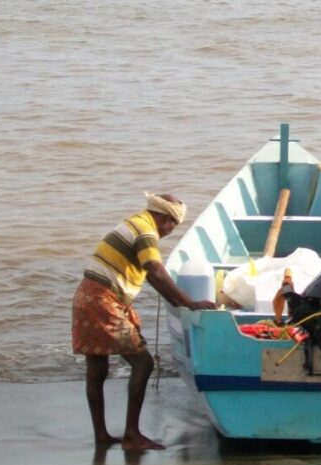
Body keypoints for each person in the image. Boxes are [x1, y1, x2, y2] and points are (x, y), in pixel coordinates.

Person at [71, 193, 216, 451]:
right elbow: (156, 271)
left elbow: (151, 275)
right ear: (164, 217)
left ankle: (102, 436)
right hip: (102, 300)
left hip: (86, 295)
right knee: (143, 362)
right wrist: (188, 304)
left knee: (97, 369)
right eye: (172, 224)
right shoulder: (146, 231)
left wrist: (174, 300)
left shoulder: (135, 222)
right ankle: (131, 435)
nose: (171, 231)